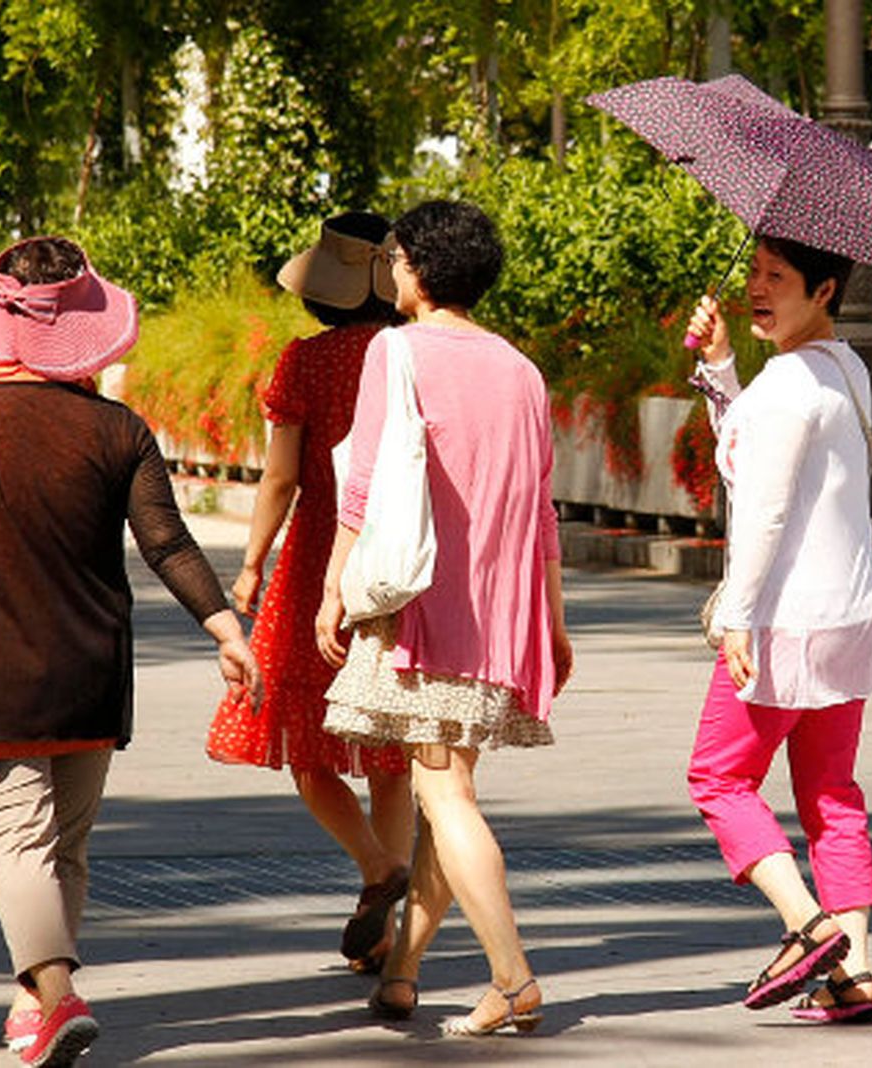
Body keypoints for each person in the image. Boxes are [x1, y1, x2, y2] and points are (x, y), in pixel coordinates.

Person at [0, 235, 260, 1068]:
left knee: (17, 843)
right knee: (64, 847)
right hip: (93, 667)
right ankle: (33, 1000)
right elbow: (169, 544)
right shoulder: (119, 430)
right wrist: (225, 627)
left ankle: (58, 994)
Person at [315, 200, 573, 1037]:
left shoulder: (396, 350)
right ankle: (402, 974)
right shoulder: (522, 369)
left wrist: (332, 589)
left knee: (445, 794)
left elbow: (363, 488)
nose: (392, 270)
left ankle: (512, 977)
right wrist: (556, 623)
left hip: (427, 608)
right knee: (444, 794)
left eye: (396, 258)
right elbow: (542, 512)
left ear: (417, 270)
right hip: (502, 608)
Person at [684, 236, 872, 1024]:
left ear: (825, 288)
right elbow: (760, 459)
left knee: (717, 776)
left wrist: (735, 613)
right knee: (832, 795)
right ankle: (855, 973)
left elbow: (760, 508)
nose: (758, 290)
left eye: (779, 278)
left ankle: (808, 927)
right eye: (755, 275)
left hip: (785, 619)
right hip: (851, 617)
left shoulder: (786, 390)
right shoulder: (847, 371)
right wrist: (726, 370)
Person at [206, 212, 414, 973]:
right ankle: (387, 938)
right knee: (394, 749)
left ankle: (375, 870)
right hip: (400, 567)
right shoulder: (412, 354)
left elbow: (283, 478)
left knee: (300, 734)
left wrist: (252, 564)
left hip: (319, 558)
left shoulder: (305, 362)